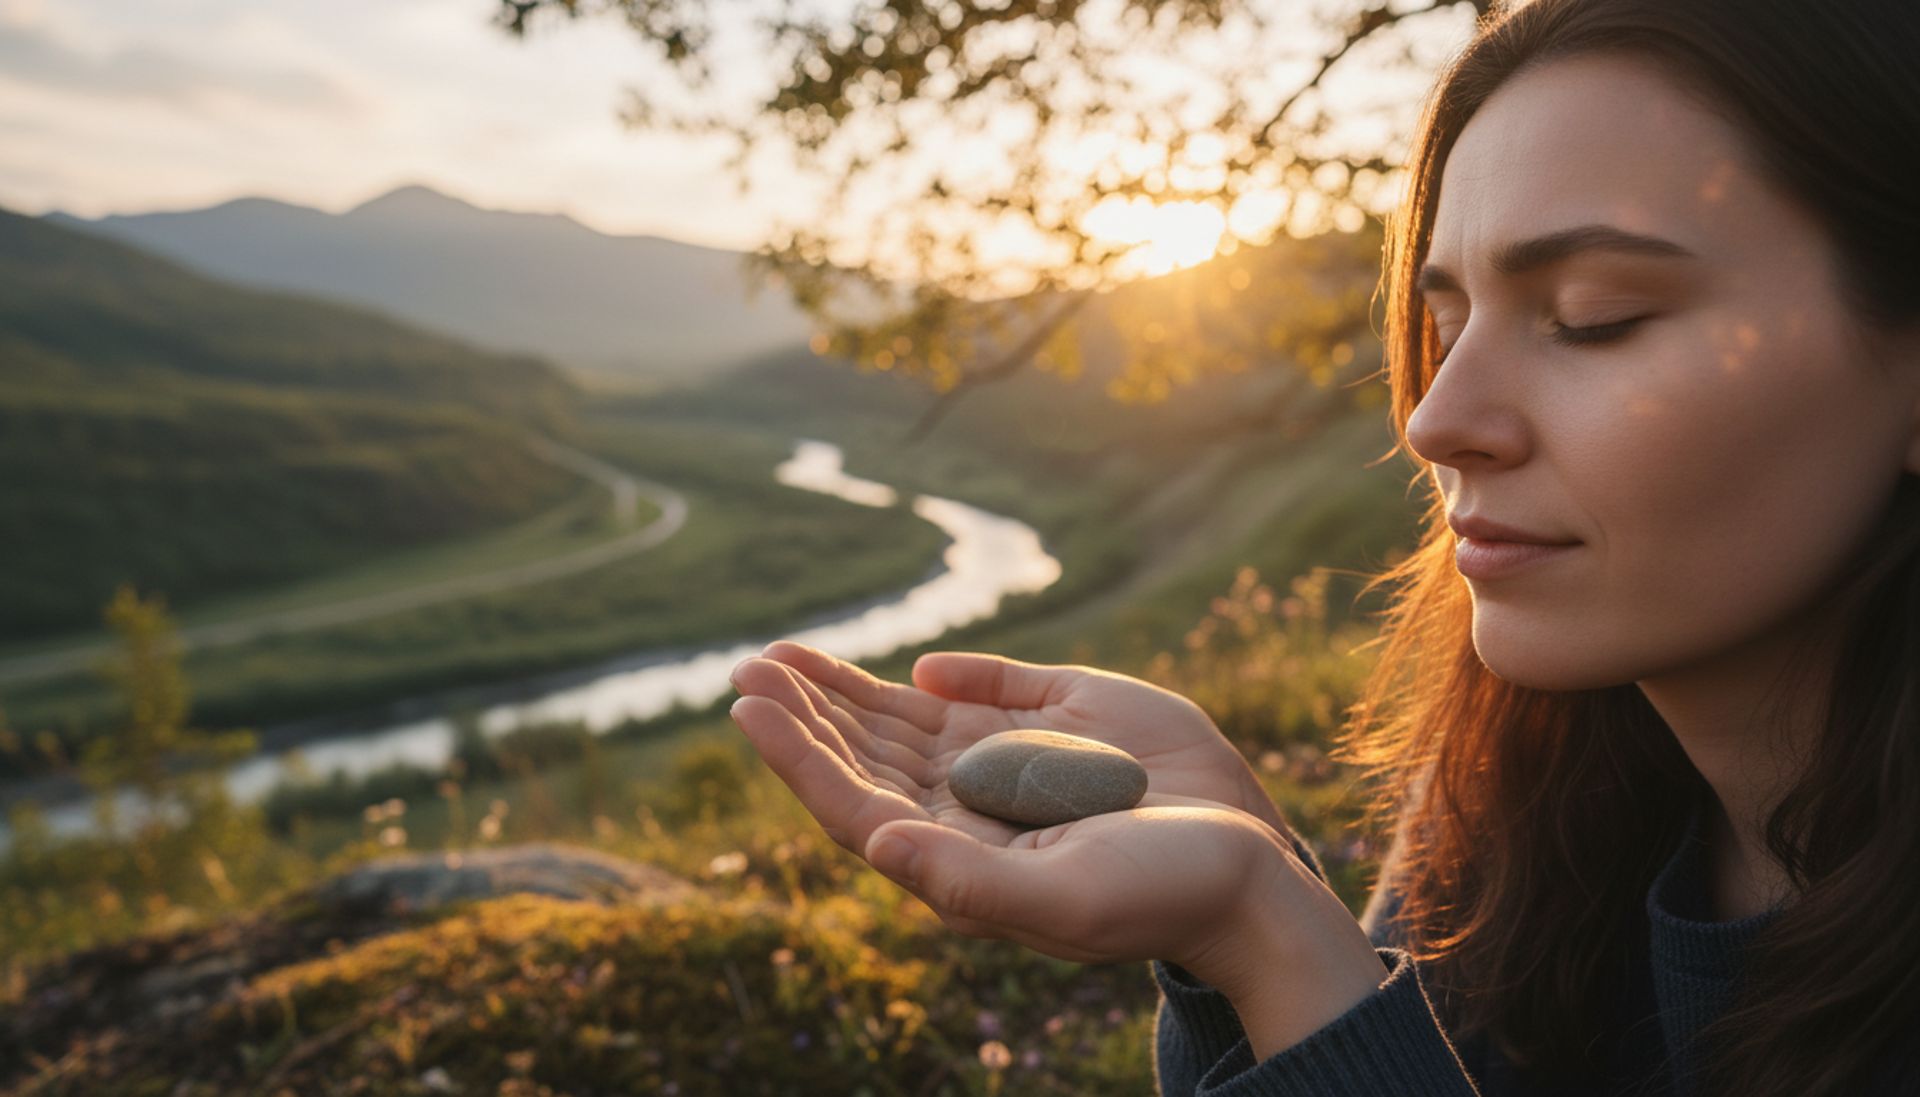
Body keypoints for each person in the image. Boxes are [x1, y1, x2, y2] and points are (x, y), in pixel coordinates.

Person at [725, 0, 1920, 1092]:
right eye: (1442, 322)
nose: (1436, 415)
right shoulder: (1529, 813)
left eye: (1592, 318)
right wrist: (1259, 906)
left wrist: (1274, 938)